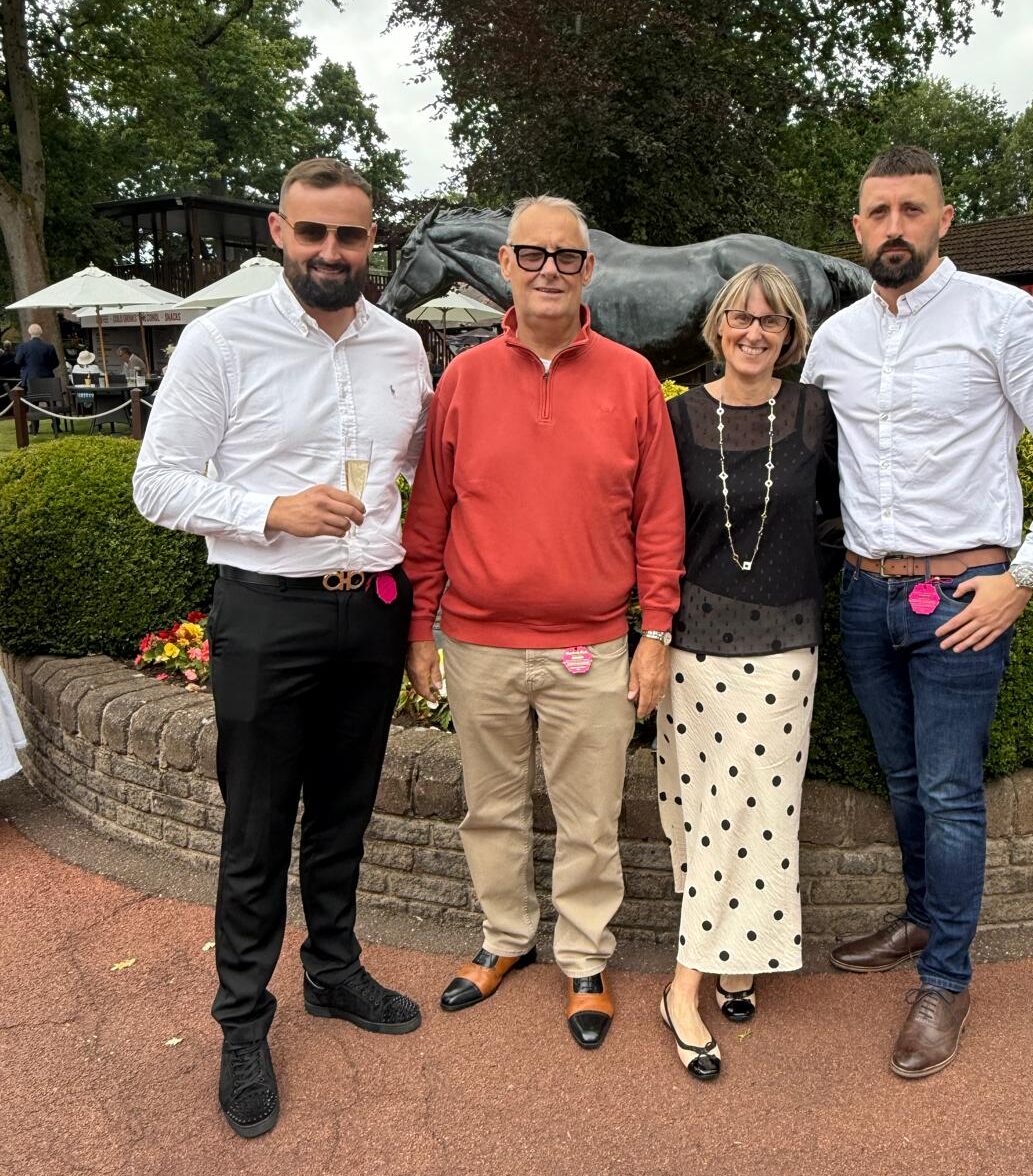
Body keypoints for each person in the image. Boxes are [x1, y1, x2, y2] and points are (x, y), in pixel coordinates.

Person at [133, 157, 432, 1139]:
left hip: (372, 610)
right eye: (314, 233)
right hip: (265, 610)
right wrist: (271, 508)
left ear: (372, 239)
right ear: (279, 231)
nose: (332, 252)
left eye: (350, 235)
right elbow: (160, 482)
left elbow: (416, 475)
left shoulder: (402, 347)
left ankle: (334, 974)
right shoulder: (222, 340)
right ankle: (241, 1025)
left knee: (345, 812)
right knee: (258, 826)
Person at [802, 145, 1033, 1080]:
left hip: (965, 598)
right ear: (857, 230)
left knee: (948, 793)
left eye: (912, 209)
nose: (894, 226)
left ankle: (946, 977)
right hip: (864, 594)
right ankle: (919, 916)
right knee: (902, 782)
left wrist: (1026, 576)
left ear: (943, 220)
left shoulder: (1002, 317)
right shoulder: (835, 339)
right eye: (877, 211)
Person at [402, 194, 685, 1051]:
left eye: (566, 257)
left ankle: (586, 957)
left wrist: (657, 633)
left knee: (589, 818)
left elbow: (659, 519)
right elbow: (432, 510)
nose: (549, 271)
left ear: (589, 269)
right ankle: (502, 939)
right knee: (489, 809)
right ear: (506, 265)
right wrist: (421, 625)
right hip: (478, 641)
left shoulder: (633, 378)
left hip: (593, 643)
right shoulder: (462, 379)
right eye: (533, 255)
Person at [655, 264, 837, 1081]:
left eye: (771, 321)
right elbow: (656, 534)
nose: (754, 332)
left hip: (784, 647)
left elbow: (839, 515)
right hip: (694, 646)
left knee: (755, 808)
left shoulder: (813, 413)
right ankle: (732, 958)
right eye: (740, 318)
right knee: (697, 808)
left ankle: (685, 984)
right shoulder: (678, 417)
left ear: (791, 334)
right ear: (717, 327)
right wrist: (653, 635)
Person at [14, 322, 58, 387]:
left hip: (28, 377)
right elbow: (55, 363)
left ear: (29, 332)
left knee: (31, 396)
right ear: (41, 333)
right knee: (46, 396)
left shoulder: (23, 346)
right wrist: (46, 368)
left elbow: (17, 361)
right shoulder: (49, 347)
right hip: (47, 377)